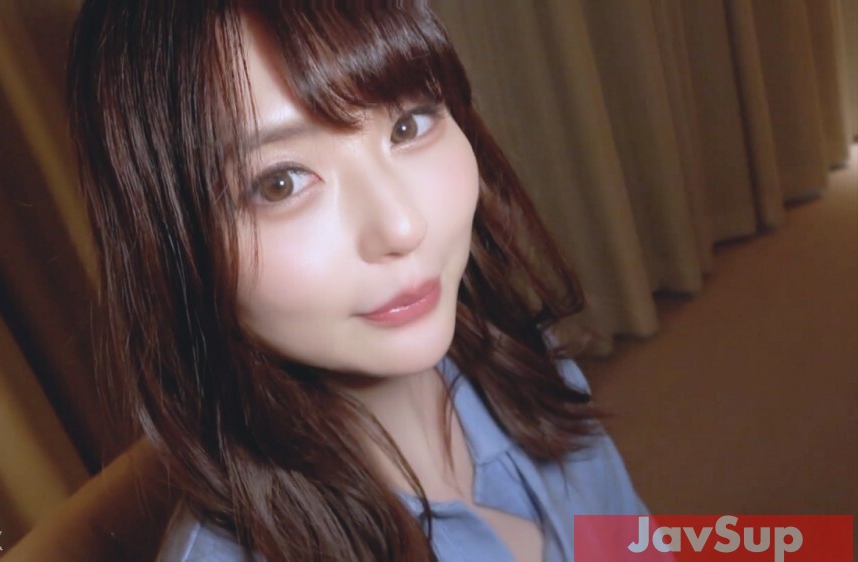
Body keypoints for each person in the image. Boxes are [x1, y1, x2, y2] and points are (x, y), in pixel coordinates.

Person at [67, 2, 649, 561]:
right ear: (171, 249)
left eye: (408, 124)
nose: (402, 226)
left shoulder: (528, 363)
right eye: (280, 182)